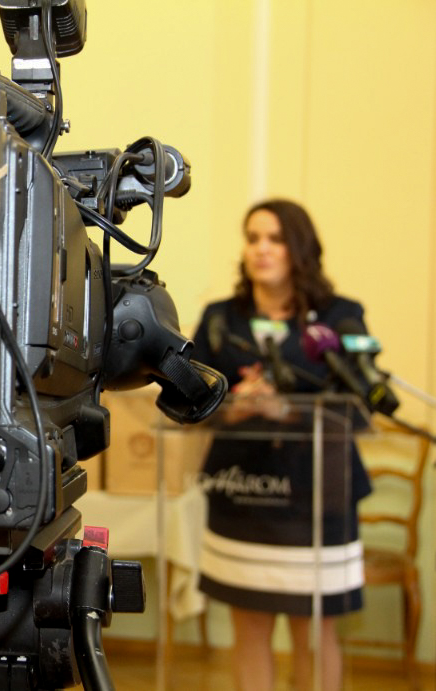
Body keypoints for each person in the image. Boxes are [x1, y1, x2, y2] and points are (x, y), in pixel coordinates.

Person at [192, 199, 373, 691]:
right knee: (249, 627)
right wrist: (234, 404)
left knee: (313, 631)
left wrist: (286, 408)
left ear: (300, 248)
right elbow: (191, 400)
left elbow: (359, 406)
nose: (262, 249)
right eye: (253, 238)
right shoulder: (221, 319)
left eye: (275, 239)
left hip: (319, 494)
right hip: (243, 490)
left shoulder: (339, 317)